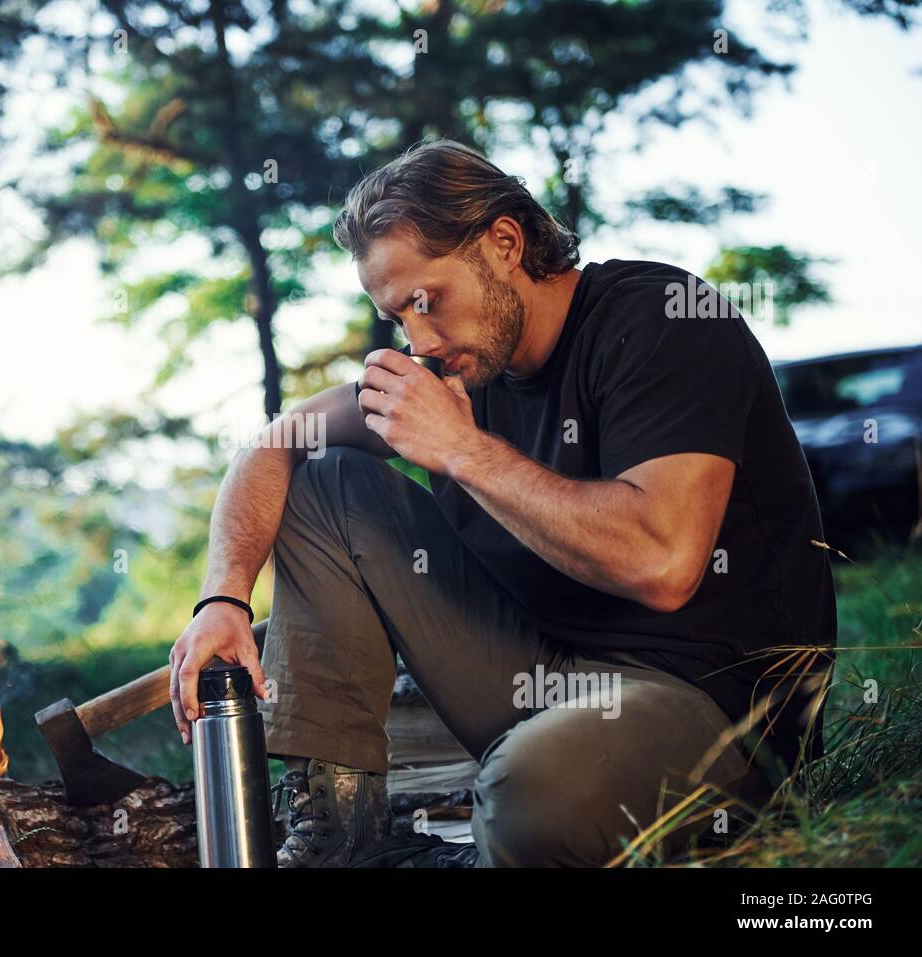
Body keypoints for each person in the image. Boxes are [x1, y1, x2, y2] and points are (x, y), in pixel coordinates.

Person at [168, 138, 837, 867]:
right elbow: (274, 441)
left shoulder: (664, 321)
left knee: (530, 795)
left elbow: (663, 561)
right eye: (397, 317)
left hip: (707, 705)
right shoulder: (451, 365)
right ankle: (343, 836)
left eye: (428, 302)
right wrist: (222, 598)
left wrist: (461, 448)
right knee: (327, 480)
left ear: (506, 243)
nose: (419, 338)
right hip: (539, 670)